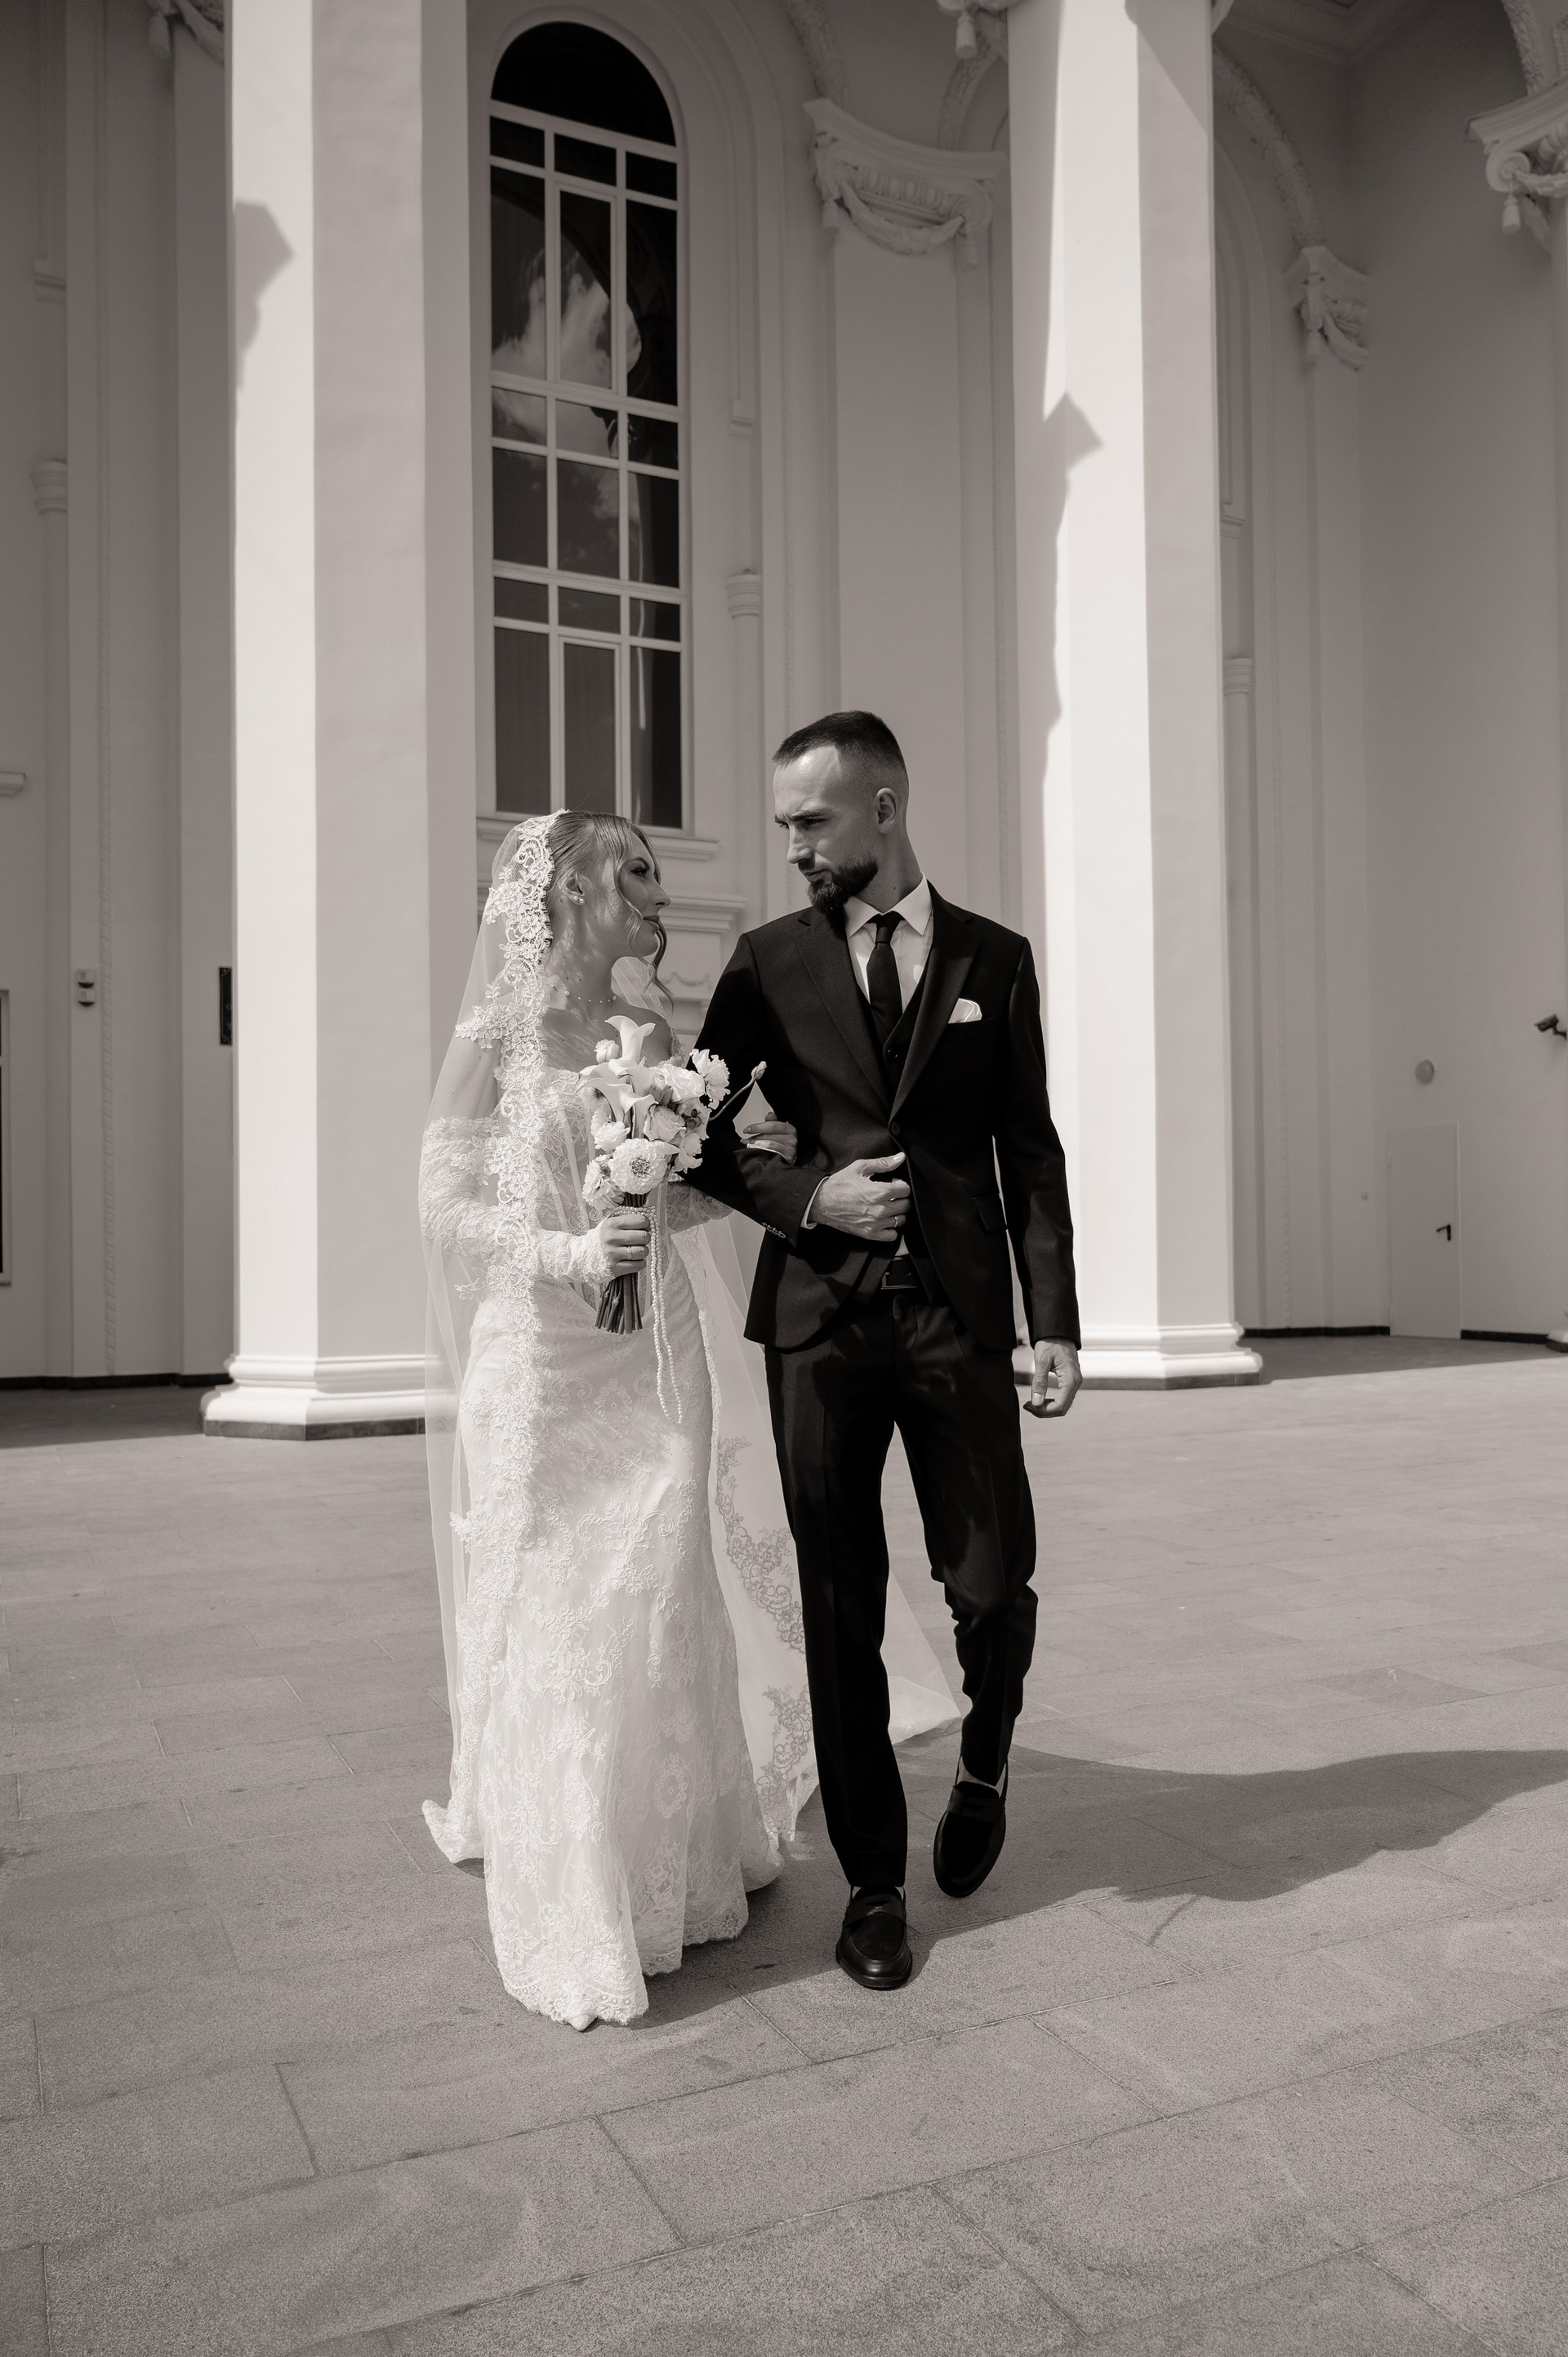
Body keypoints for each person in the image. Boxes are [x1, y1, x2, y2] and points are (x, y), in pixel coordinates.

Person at [418, 809, 956, 2030]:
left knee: (659, 1582)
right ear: (570, 892)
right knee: (568, 1603)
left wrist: (764, 1172)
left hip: (654, 1351)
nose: (658, 902)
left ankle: (668, 1851)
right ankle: (582, 1880)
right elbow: (441, 1204)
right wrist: (570, 1251)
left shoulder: (652, 1036)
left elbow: (680, 1197)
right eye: (638, 877)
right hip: (545, 1361)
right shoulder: (497, 1032)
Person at [690, 711, 1082, 1992]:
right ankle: (871, 1884)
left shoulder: (995, 960)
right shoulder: (766, 961)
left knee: (992, 1581)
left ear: (885, 806)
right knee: (838, 1601)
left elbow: (1029, 1151)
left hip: (957, 1321)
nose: (794, 845)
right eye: (785, 824)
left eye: (812, 820)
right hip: (820, 1326)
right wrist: (813, 1196)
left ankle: (986, 1757)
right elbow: (695, 1132)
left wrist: (1054, 1320)